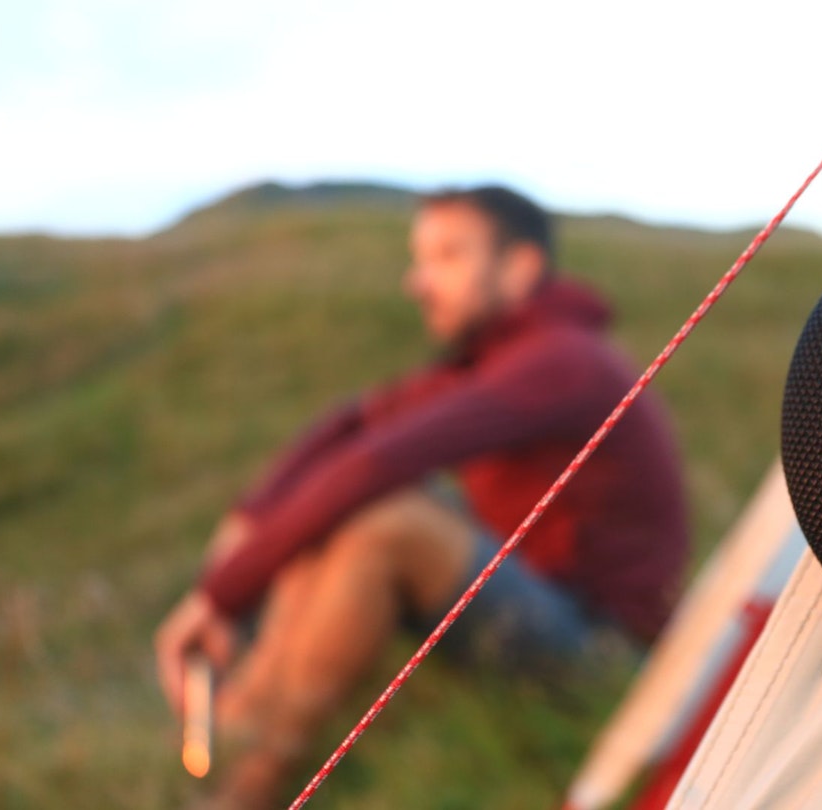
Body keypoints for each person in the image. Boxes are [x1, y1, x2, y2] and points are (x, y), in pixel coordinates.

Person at [154, 185, 689, 808]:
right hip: (539, 610)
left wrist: (223, 594)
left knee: (387, 519)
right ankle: (236, 734)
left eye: (447, 258)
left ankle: (245, 787)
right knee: (352, 510)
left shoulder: (562, 361)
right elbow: (352, 426)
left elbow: (376, 461)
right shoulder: (493, 358)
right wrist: (247, 524)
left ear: (519, 268)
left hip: (608, 657)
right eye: (421, 259)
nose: (418, 281)